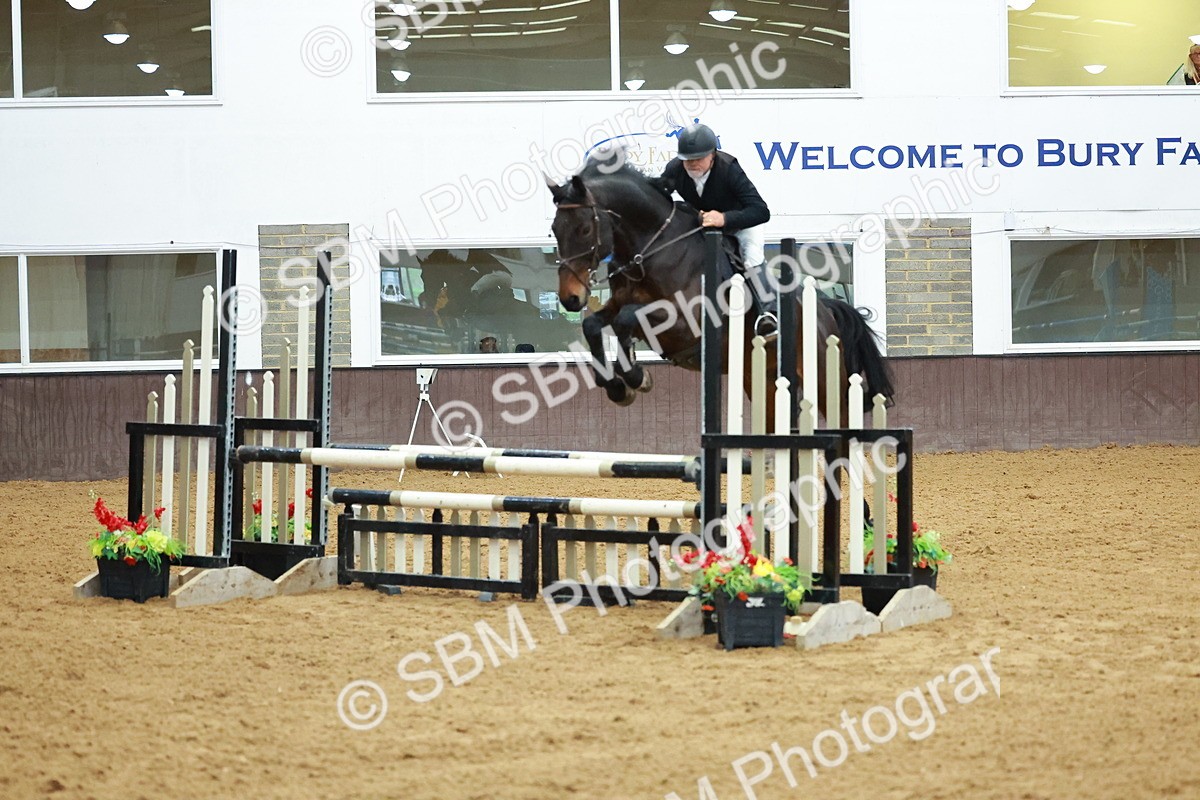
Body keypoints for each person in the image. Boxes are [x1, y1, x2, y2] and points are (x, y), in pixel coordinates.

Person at [660, 123, 776, 334]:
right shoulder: (675, 169)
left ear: (712, 155)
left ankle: (767, 313)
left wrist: (724, 218)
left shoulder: (729, 169)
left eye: (698, 158)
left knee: (751, 257)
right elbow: (658, 195)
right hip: (705, 227)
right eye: (687, 159)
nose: (692, 163)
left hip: (740, 225)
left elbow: (761, 211)